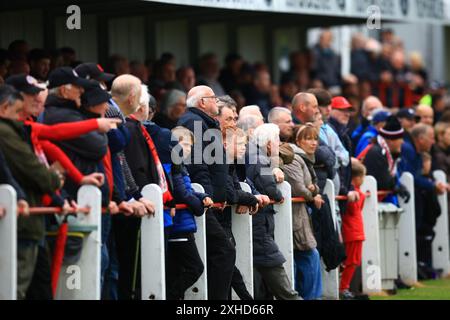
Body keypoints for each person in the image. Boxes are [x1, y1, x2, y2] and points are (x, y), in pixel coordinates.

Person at [0, 85, 62, 300]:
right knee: (15, 289)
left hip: (26, 220)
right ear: (5, 107)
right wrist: (54, 179)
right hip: (22, 225)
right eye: (19, 111)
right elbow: (32, 169)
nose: (23, 117)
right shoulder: (6, 132)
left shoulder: (15, 130)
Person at [178, 85, 236, 300]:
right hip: (204, 201)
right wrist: (209, 196)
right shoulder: (195, 123)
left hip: (209, 200)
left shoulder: (203, 123)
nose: (217, 102)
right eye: (214, 98)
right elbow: (198, 165)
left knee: (220, 252)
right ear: (202, 102)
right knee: (224, 251)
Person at [246, 123, 301, 300]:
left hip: (257, 221)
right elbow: (270, 189)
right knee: (273, 263)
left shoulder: (253, 155)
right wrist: (278, 194)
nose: (279, 143)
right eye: (277, 140)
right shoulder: (260, 159)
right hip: (259, 223)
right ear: (269, 143)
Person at [166, 126, 212, 300]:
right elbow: (181, 193)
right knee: (195, 268)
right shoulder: (174, 164)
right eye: (184, 144)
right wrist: (199, 207)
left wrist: (203, 196)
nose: (188, 149)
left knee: (180, 269)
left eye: (190, 146)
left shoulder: (181, 165)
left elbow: (188, 190)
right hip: (179, 224)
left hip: (184, 223)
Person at [283, 124, 323, 300]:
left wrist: (312, 190)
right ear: (297, 141)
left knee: (310, 257)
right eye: (308, 138)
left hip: (301, 215)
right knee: (309, 256)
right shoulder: (292, 157)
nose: (313, 143)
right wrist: (312, 192)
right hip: (294, 217)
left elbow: (314, 186)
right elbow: (300, 188)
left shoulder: (306, 159)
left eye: (315, 139)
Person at [339, 158, 366, 300]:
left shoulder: (355, 192)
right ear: (358, 178)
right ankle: (343, 288)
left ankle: (344, 287)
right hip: (353, 232)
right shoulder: (355, 194)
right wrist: (361, 196)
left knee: (351, 261)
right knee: (351, 261)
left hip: (354, 232)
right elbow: (355, 209)